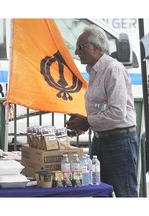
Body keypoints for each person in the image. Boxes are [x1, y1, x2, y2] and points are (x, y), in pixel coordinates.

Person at [65, 25, 138, 197]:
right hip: (102, 140)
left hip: (119, 141)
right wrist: (85, 123)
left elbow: (117, 112)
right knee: (100, 192)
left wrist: (87, 121)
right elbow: (102, 107)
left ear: (96, 48)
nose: (76, 51)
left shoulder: (113, 69)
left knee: (124, 193)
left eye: (80, 47)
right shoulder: (95, 70)